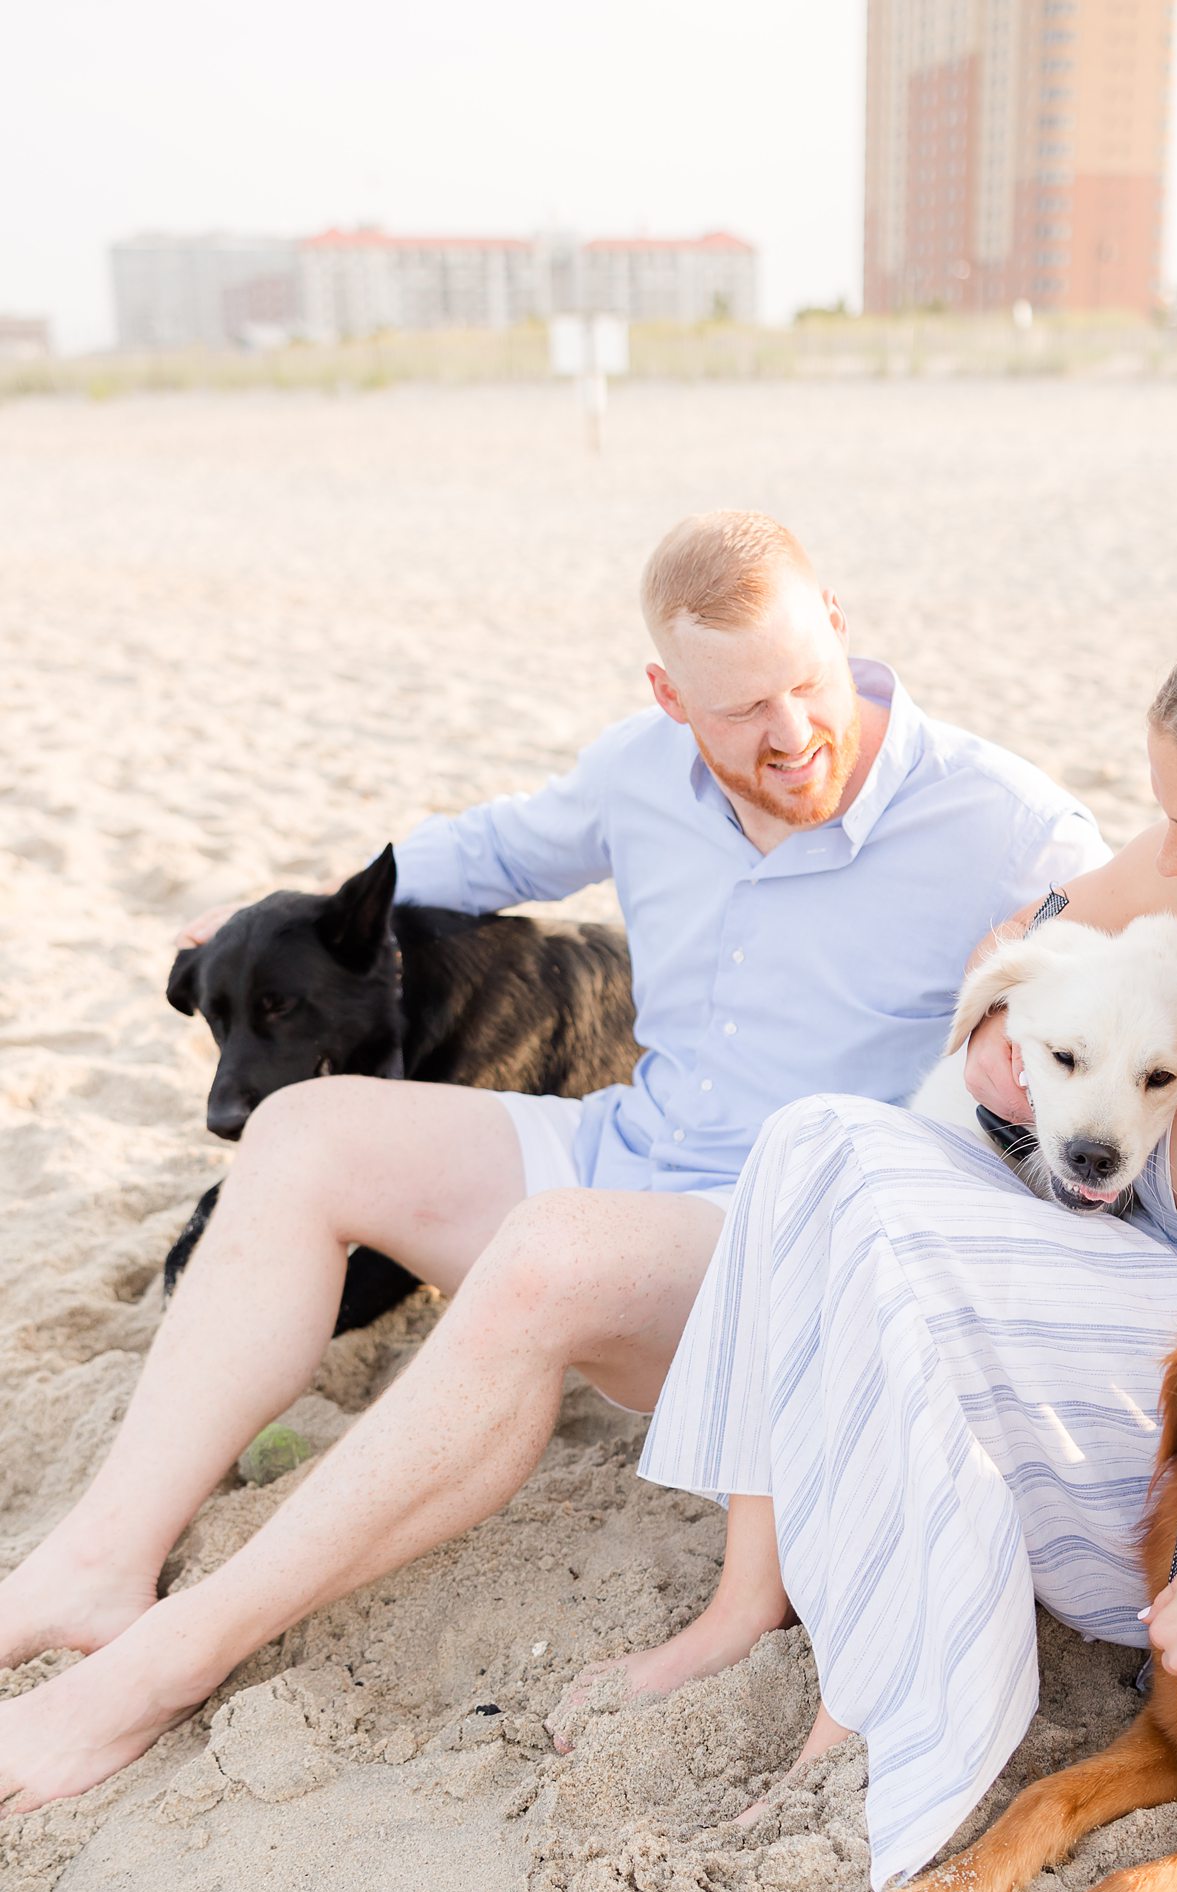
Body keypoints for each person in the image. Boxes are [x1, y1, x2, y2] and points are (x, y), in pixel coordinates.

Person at [0, 510, 1104, 1811]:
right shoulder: (641, 771)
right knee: (302, 1133)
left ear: (841, 635)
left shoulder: (1005, 821)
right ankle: (99, 1560)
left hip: (779, 1252)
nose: (793, 731)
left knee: (545, 1257)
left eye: (807, 682)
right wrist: (280, 911)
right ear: (668, 698)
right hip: (625, 1146)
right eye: (742, 707)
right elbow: (481, 852)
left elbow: (1146, 1002)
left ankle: (160, 1670)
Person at [623, 588, 1177, 1892]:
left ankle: (881, 1716)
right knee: (820, 1139)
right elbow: (1034, 935)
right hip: (1128, 1386)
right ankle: (753, 1601)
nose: (1173, 861)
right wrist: (1004, 1035)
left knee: (876, 1215)